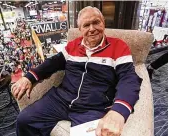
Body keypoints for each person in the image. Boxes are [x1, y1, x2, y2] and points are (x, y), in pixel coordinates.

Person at [12, 6, 142, 136]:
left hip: (93, 107)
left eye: (96, 22)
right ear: (80, 29)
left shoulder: (118, 46)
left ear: (103, 22)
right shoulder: (73, 46)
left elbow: (128, 78)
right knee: (24, 120)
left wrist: (119, 111)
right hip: (61, 99)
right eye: (86, 25)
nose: (92, 29)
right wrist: (29, 77)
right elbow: (53, 63)